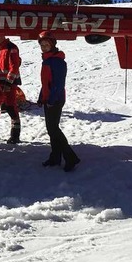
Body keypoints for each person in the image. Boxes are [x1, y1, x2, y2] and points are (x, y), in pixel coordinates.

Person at [36, 31, 80, 172]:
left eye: (46, 44)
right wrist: (41, 97)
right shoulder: (48, 60)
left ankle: (70, 157)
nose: (44, 47)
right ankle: (55, 158)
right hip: (49, 99)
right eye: (42, 45)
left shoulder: (58, 61)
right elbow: (46, 83)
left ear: (53, 44)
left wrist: (51, 99)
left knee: (54, 130)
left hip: (55, 99)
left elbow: (58, 84)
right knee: (51, 130)